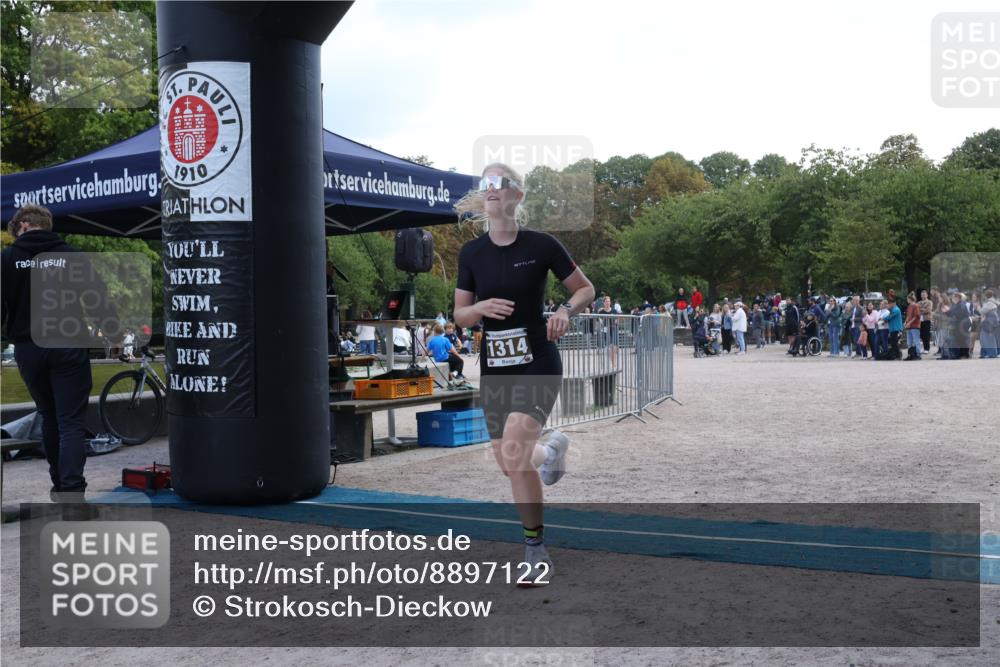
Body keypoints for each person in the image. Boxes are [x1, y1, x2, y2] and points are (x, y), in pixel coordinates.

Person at [453, 162, 595, 587]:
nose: (492, 190)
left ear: (517, 195)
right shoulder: (471, 253)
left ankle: (535, 551)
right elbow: (459, 314)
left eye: (501, 184)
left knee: (514, 450)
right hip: (496, 369)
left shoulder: (542, 245)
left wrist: (566, 311)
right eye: (486, 184)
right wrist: (477, 310)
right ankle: (550, 455)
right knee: (509, 462)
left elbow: (585, 288)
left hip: (538, 360)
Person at [1, 204, 112, 505]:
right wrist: (111, 334)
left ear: (22, 226)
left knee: (48, 416)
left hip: (28, 348)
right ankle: (72, 494)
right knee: (70, 422)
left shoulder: (7, 258)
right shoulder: (72, 256)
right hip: (67, 344)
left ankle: (59, 486)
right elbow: (97, 299)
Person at [597, 295, 619, 368]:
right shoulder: (601, 312)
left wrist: (615, 321)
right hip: (606, 330)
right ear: (603, 303)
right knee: (610, 346)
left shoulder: (614, 311)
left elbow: (617, 320)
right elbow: (600, 321)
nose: (608, 303)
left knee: (615, 347)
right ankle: (613, 363)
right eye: (606, 301)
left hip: (613, 329)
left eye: (609, 301)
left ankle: (613, 360)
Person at [979, 289, 998, 358]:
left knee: (988, 338)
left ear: (986, 295)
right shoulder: (995, 301)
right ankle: (991, 353)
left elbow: (982, 311)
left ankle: (992, 354)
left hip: (989, 323)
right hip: (993, 322)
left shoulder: (989, 302)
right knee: (989, 338)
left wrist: (978, 307)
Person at [904, 292, 922, 360]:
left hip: (915, 326)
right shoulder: (909, 306)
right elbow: (908, 316)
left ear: (910, 299)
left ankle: (918, 354)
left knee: (916, 340)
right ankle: (910, 354)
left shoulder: (915, 305)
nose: (907, 300)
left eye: (907, 299)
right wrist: (905, 322)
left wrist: (909, 323)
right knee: (909, 341)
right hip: (909, 326)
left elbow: (916, 316)